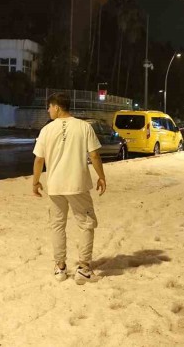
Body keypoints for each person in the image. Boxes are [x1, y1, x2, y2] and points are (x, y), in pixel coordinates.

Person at [32, 93, 106, 285]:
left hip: (55, 185)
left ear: (57, 107)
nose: (48, 110)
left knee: (57, 225)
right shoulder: (84, 127)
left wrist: (36, 182)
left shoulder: (47, 130)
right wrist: (101, 176)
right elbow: (94, 155)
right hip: (77, 184)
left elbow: (39, 159)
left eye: (49, 107)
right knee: (86, 224)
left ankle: (60, 267)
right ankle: (84, 268)